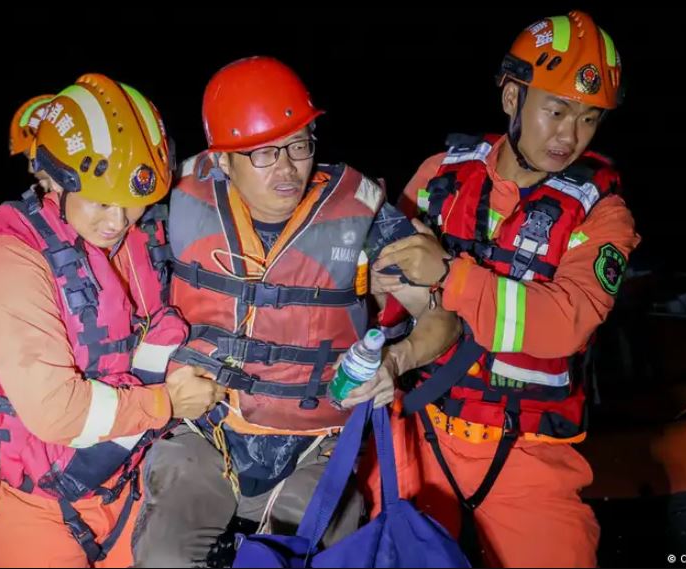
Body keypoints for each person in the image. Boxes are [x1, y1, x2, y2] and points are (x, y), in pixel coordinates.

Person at [131, 56, 459, 566]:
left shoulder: (360, 213)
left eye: (298, 145)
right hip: (207, 432)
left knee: (312, 552)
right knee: (166, 554)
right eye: (262, 153)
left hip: (313, 445)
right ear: (223, 161)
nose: (286, 168)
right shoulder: (174, 201)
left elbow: (442, 318)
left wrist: (396, 361)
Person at [370, 10, 640, 566]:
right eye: (557, 109)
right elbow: (386, 294)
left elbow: (564, 321)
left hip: (528, 452)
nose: (570, 135)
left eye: (589, 118)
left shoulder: (603, 214)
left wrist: (449, 275)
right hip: (421, 431)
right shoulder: (440, 173)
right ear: (513, 97)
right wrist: (379, 280)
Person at [0, 73, 224, 567]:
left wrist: (184, 369)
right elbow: (57, 412)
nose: (119, 221)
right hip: (29, 505)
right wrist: (168, 401)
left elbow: (158, 330)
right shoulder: (11, 258)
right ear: (52, 180)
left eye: (134, 206)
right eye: (103, 202)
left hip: (119, 483)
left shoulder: (127, 241)